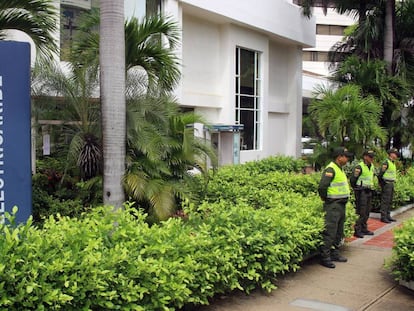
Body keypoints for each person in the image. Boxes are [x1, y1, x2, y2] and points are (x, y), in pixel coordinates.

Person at [318, 147, 353, 268]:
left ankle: (335, 253)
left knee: (339, 231)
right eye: (346, 156)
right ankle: (325, 257)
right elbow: (322, 187)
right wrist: (325, 198)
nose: (347, 159)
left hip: (341, 205)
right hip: (333, 205)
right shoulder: (331, 169)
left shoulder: (340, 169)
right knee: (330, 232)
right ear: (339, 157)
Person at [350, 150, 376, 238]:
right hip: (361, 191)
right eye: (370, 157)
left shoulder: (371, 166)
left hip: (368, 190)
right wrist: (357, 189)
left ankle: (364, 228)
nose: (372, 159)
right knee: (361, 211)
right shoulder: (359, 167)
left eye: (372, 157)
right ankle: (357, 230)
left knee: (367, 211)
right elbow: (353, 180)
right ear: (365, 157)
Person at [377, 148, 399, 223]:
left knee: (389, 201)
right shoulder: (386, 163)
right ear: (391, 154)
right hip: (386, 184)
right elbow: (380, 174)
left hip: (391, 183)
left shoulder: (393, 163)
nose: (396, 155)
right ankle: (383, 217)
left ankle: (388, 215)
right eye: (395, 154)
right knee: (385, 201)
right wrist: (382, 183)